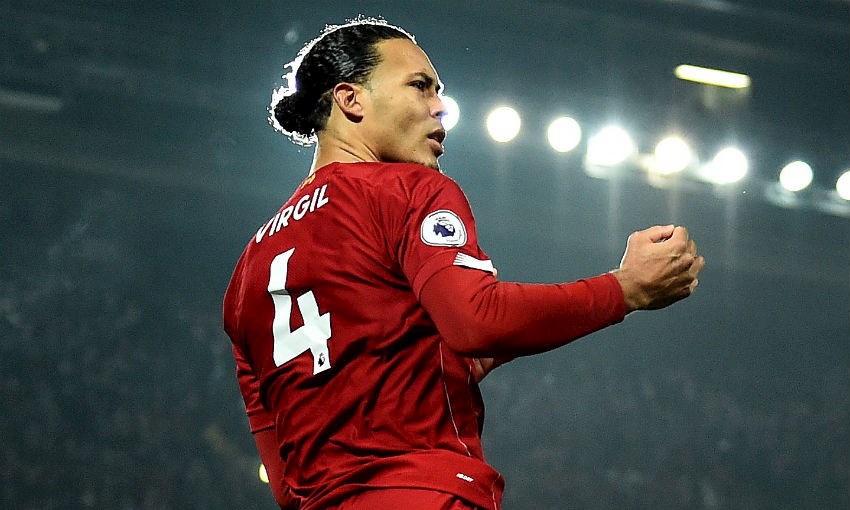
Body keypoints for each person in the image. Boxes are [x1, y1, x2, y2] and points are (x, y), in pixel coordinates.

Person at [222, 16, 704, 510]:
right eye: (420, 86)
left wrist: (439, 369)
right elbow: (477, 320)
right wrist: (626, 288)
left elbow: (284, 483)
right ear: (351, 100)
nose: (440, 108)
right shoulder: (406, 189)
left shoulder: (246, 274)